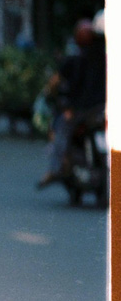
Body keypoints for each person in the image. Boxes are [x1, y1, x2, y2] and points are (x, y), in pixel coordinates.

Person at [37, 17, 107, 189]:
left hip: (81, 110)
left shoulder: (75, 57)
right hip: (102, 108)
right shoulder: (106, 55)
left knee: (60, 129)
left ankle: (55, 168)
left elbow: (55, 81)